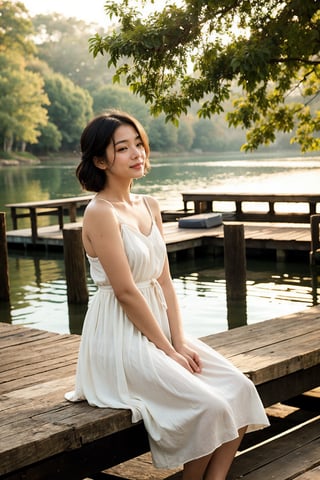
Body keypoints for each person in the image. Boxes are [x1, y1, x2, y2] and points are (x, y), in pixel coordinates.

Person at [65, 111, 269, 480]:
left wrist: (179, 341)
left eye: (138, 144)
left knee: (239, 390)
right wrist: (169, 351)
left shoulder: (150, 205)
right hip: (119, 338)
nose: (136, 153)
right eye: (122, 148)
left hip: (160, 331)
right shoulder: (99, 212)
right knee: (210, 407)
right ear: (99, 160)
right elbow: (126, 292)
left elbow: (165, 282)